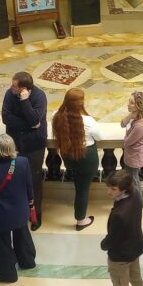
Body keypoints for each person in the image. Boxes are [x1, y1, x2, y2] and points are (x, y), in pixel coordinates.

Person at [0, 134, 36, 282]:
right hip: (20, 212)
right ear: (12, 148)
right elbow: (29, 186)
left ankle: (7, 275)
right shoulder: (22, 163)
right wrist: (30, 203)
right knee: (22, 238)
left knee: (1, 246)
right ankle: (27, 262)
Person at [1, 72, 47, 229]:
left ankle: (36, 215)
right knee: (15, 179)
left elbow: (36, 119)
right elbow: (6, 118)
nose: (10, 87)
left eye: (14, 85)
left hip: (34, 146)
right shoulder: (9, 94)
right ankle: (21, 211)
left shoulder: (39, 97)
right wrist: (29, 124)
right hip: (15, 144)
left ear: (24, 89)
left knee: (34, 180)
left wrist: (25, 101)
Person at [52, 87, 103, 229]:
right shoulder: (88, 121)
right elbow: (100, 137)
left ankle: (80, 214)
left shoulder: (56, 115)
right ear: (81, 104)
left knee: (79, 184)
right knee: (82, 189)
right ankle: (81, 220)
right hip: (86, 158)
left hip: (68, 157)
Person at [103, 170, 143, 286]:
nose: (108, 191)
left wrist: (103, 245)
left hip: (120, 257)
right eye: (108, 187)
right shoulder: (135, 195)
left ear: (124, 189)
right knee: (137, 280)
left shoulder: (118, 215)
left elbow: (111, 239)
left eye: (113, 189)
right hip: (135, 248)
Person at [121, 91, 143, 203]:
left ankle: (139, 203)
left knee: (134, 182)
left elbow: (126, 142)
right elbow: (122, 124)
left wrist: (128, 131)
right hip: (136, 155)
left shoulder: (141, 125)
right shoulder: (138, 117)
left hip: (134, 158)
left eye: (131, 103)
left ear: (139, 105)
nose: (128, 104)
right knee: (134, 180)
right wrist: (130, 115)